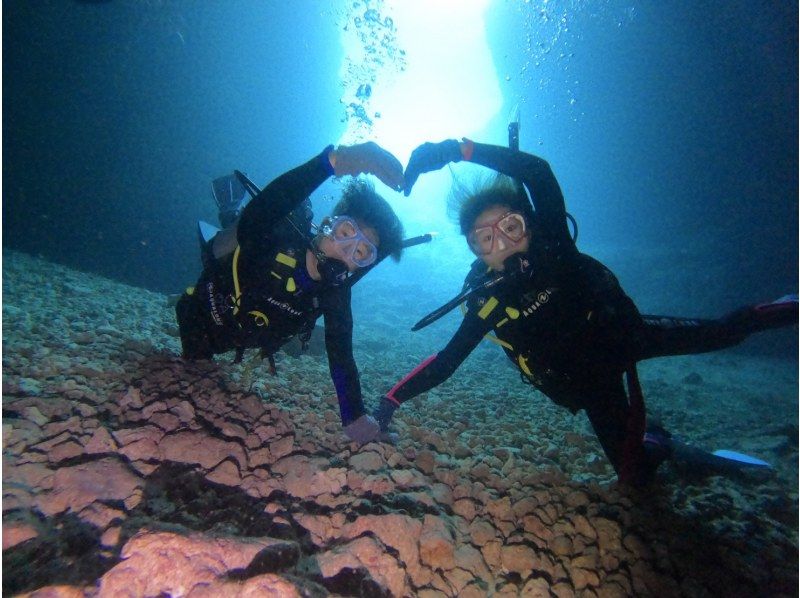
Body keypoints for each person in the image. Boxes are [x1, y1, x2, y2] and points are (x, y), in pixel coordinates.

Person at [373, 138, 797, 485]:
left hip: (624, 334)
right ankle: (662, 444)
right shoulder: (488, 300)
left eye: (511, 227)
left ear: (530, 226)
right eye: (485, 239)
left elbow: (538, 172)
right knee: (635, 478)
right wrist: (391, 400)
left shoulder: (554, 245)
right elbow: (446, 361)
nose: (501, 244)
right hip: (590, 384)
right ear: (475, 252)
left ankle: (784, 308)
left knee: (722, 333)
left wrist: (459, 150)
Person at [176, 142, 405, 444]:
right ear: (326, 226)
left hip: (243, 334)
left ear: (361, 266)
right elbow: (262, 212)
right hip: (201, 317)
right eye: (345, 233)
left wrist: (356, 423)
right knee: (239, 231)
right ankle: (230, 211)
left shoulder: (334, 293)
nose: (346, 250)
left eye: (361, 252)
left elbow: (341, 356)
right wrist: (330, 163)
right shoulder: (276, 238)